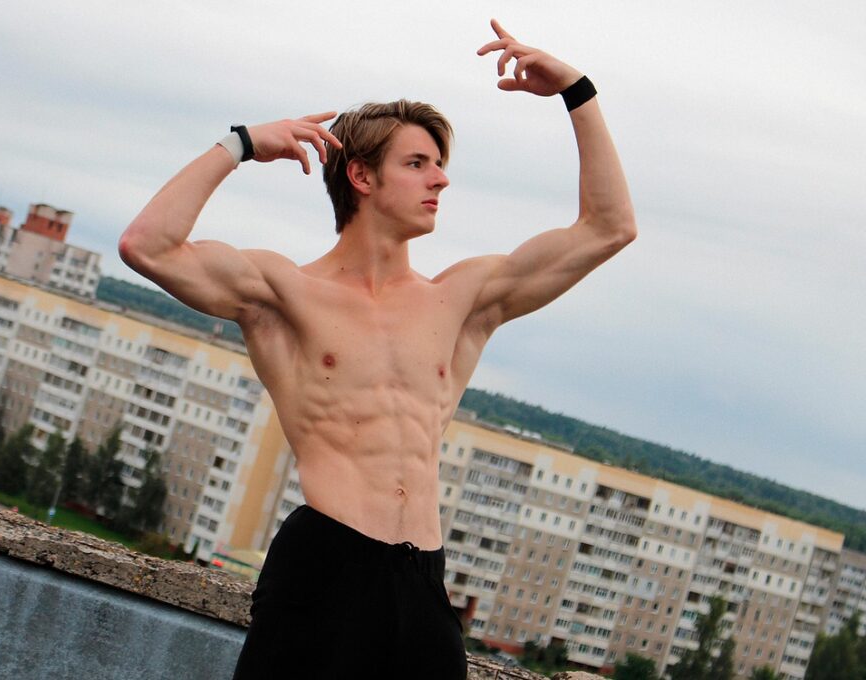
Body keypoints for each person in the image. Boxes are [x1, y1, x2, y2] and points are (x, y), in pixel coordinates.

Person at [119, 19, 635, 680]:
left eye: (440, 165)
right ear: (361, 176)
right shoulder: (285, 292)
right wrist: (240, 144)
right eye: (417, 164)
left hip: (422, 583)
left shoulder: (462, 299)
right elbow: (146, 246)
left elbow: (609, 227)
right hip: (324, 572)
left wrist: (576, 90)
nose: (440, 180)